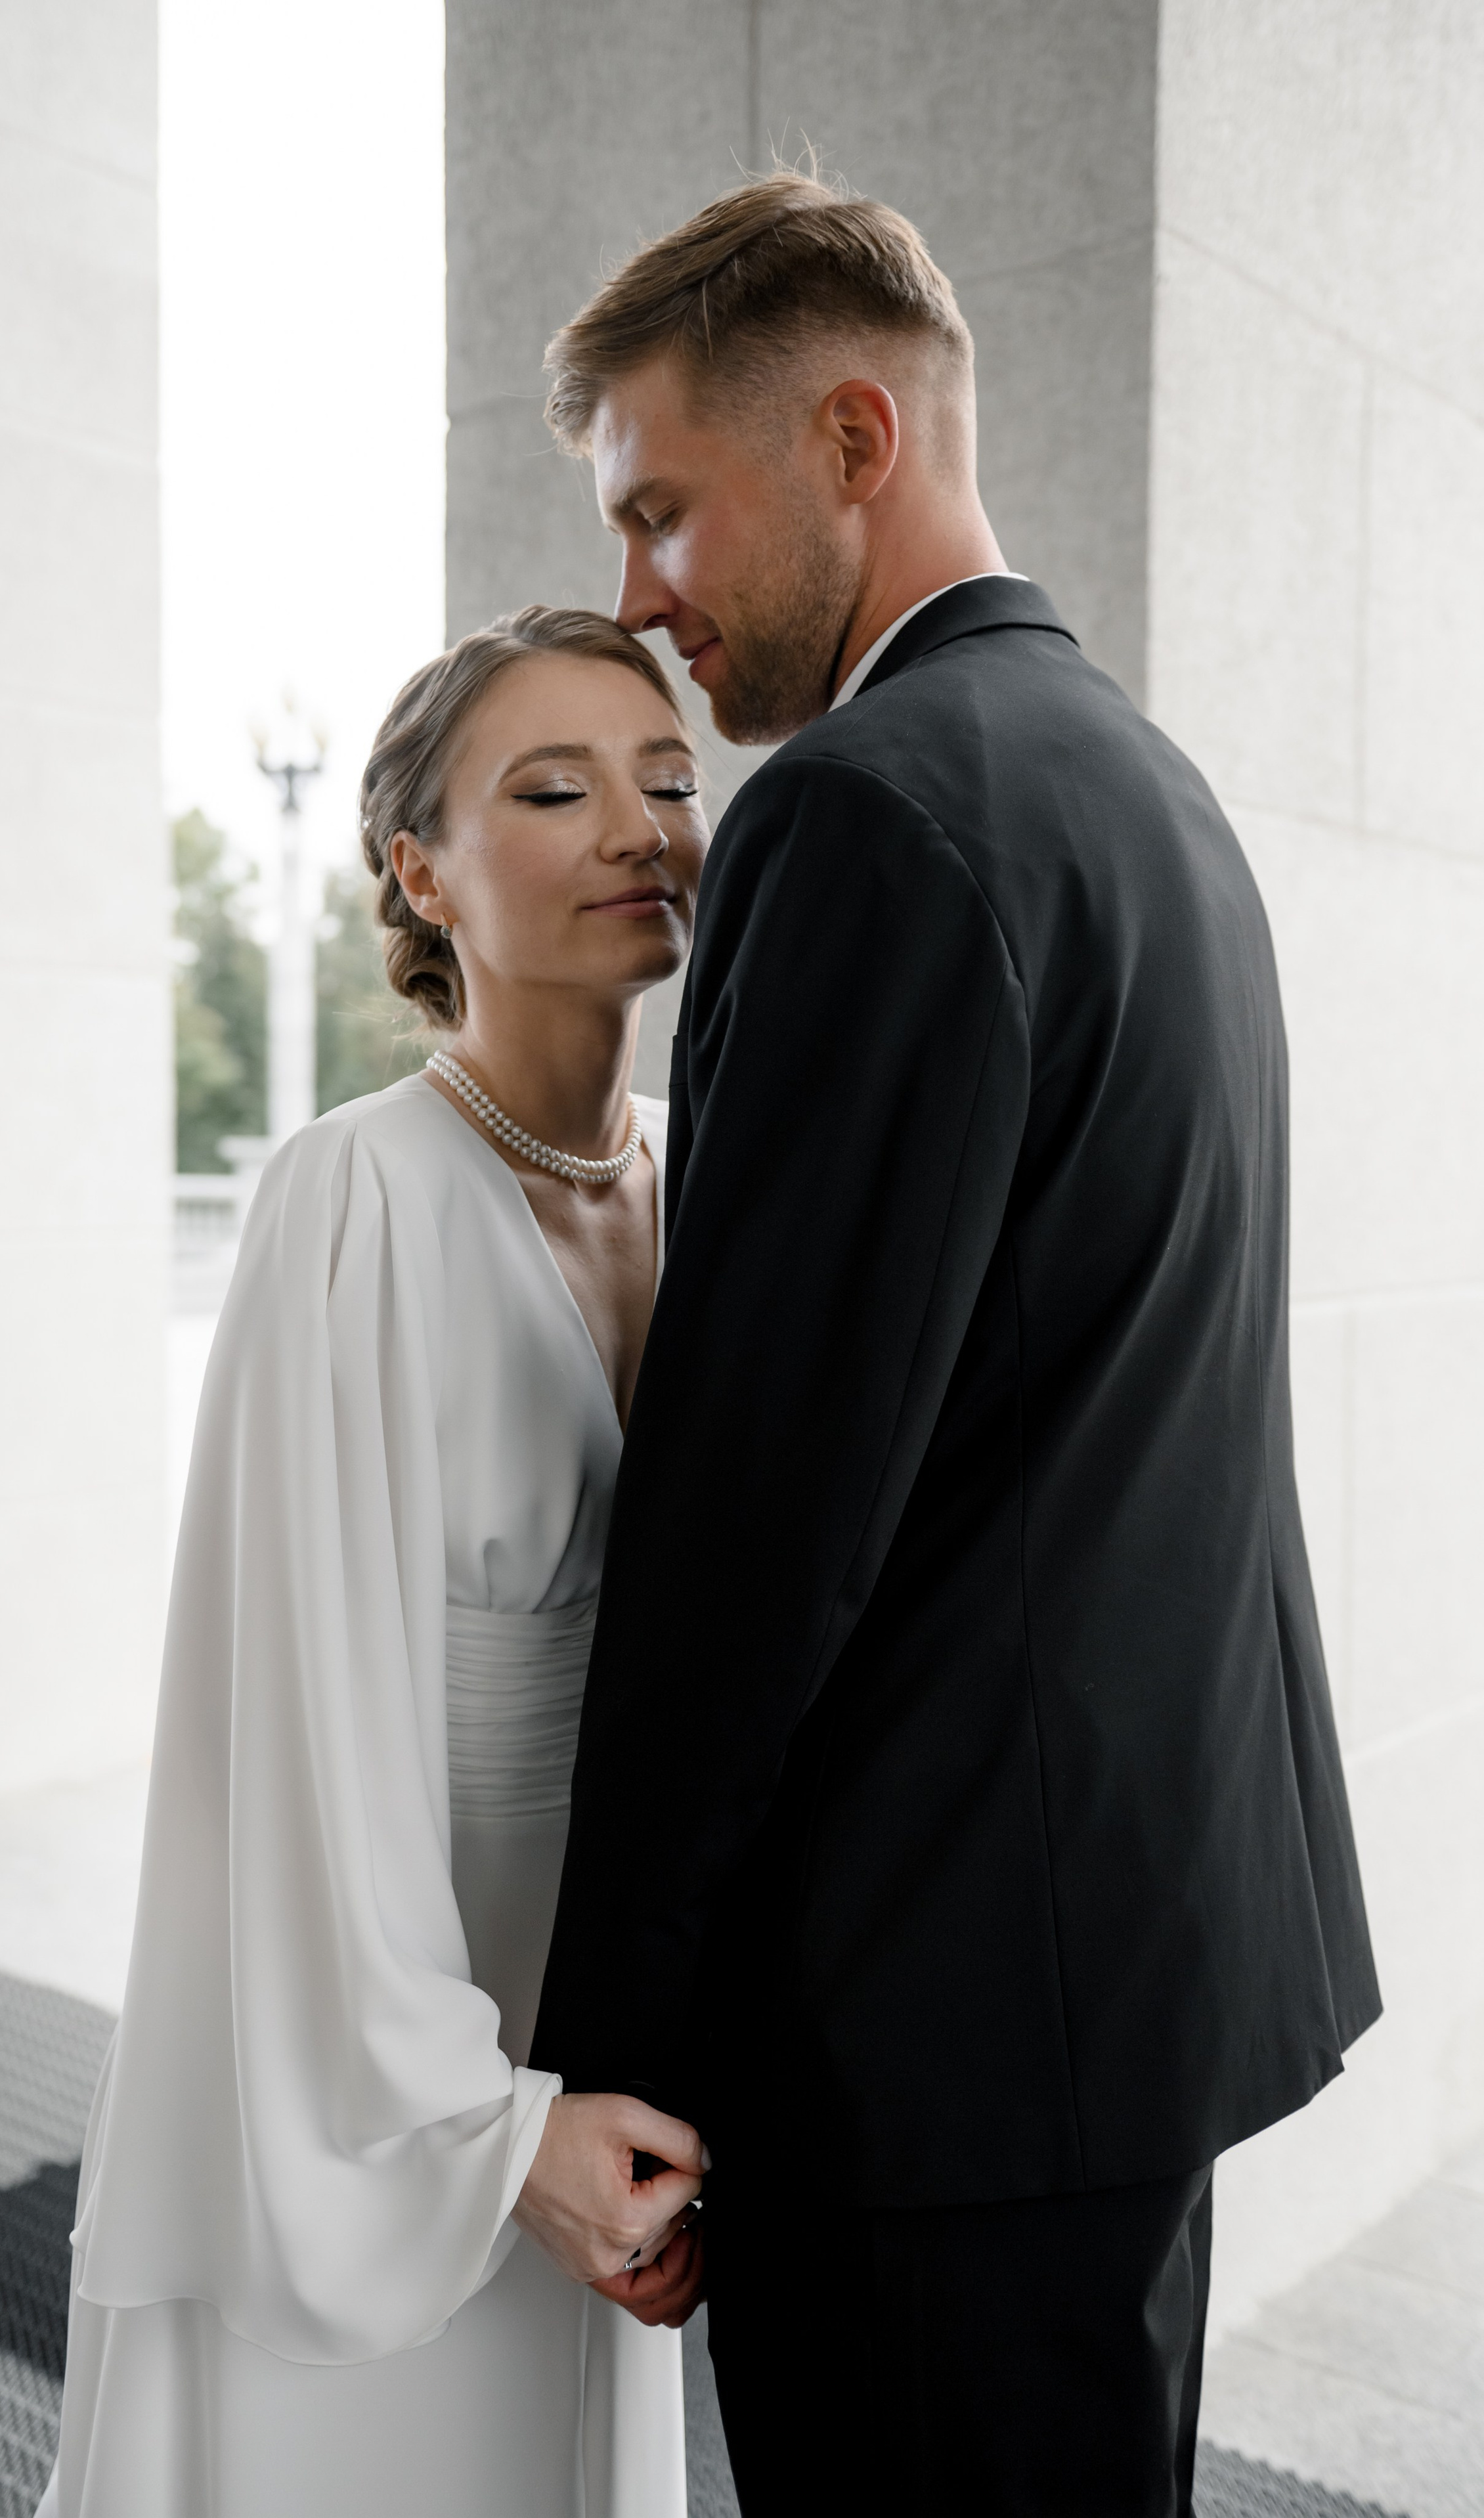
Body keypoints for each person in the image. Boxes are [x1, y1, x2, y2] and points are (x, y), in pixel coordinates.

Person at [528, 171, 1382, 2515]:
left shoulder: (868, 816)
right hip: (1127, 1973)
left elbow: (760, 1511)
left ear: (854, 438)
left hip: (933, 2030)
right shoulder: (1149, 793)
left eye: (662, 509)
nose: (641, 596)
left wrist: (606, 2053)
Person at [35, 607, 712, 2518]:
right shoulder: (356, 1194)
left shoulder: (714, 1170)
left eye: (670, 777)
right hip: (388, 2028)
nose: (640, 827)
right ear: (422, 871)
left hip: (622, 2000)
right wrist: (486, 2133)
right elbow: (299, 1738)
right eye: (555, 790)